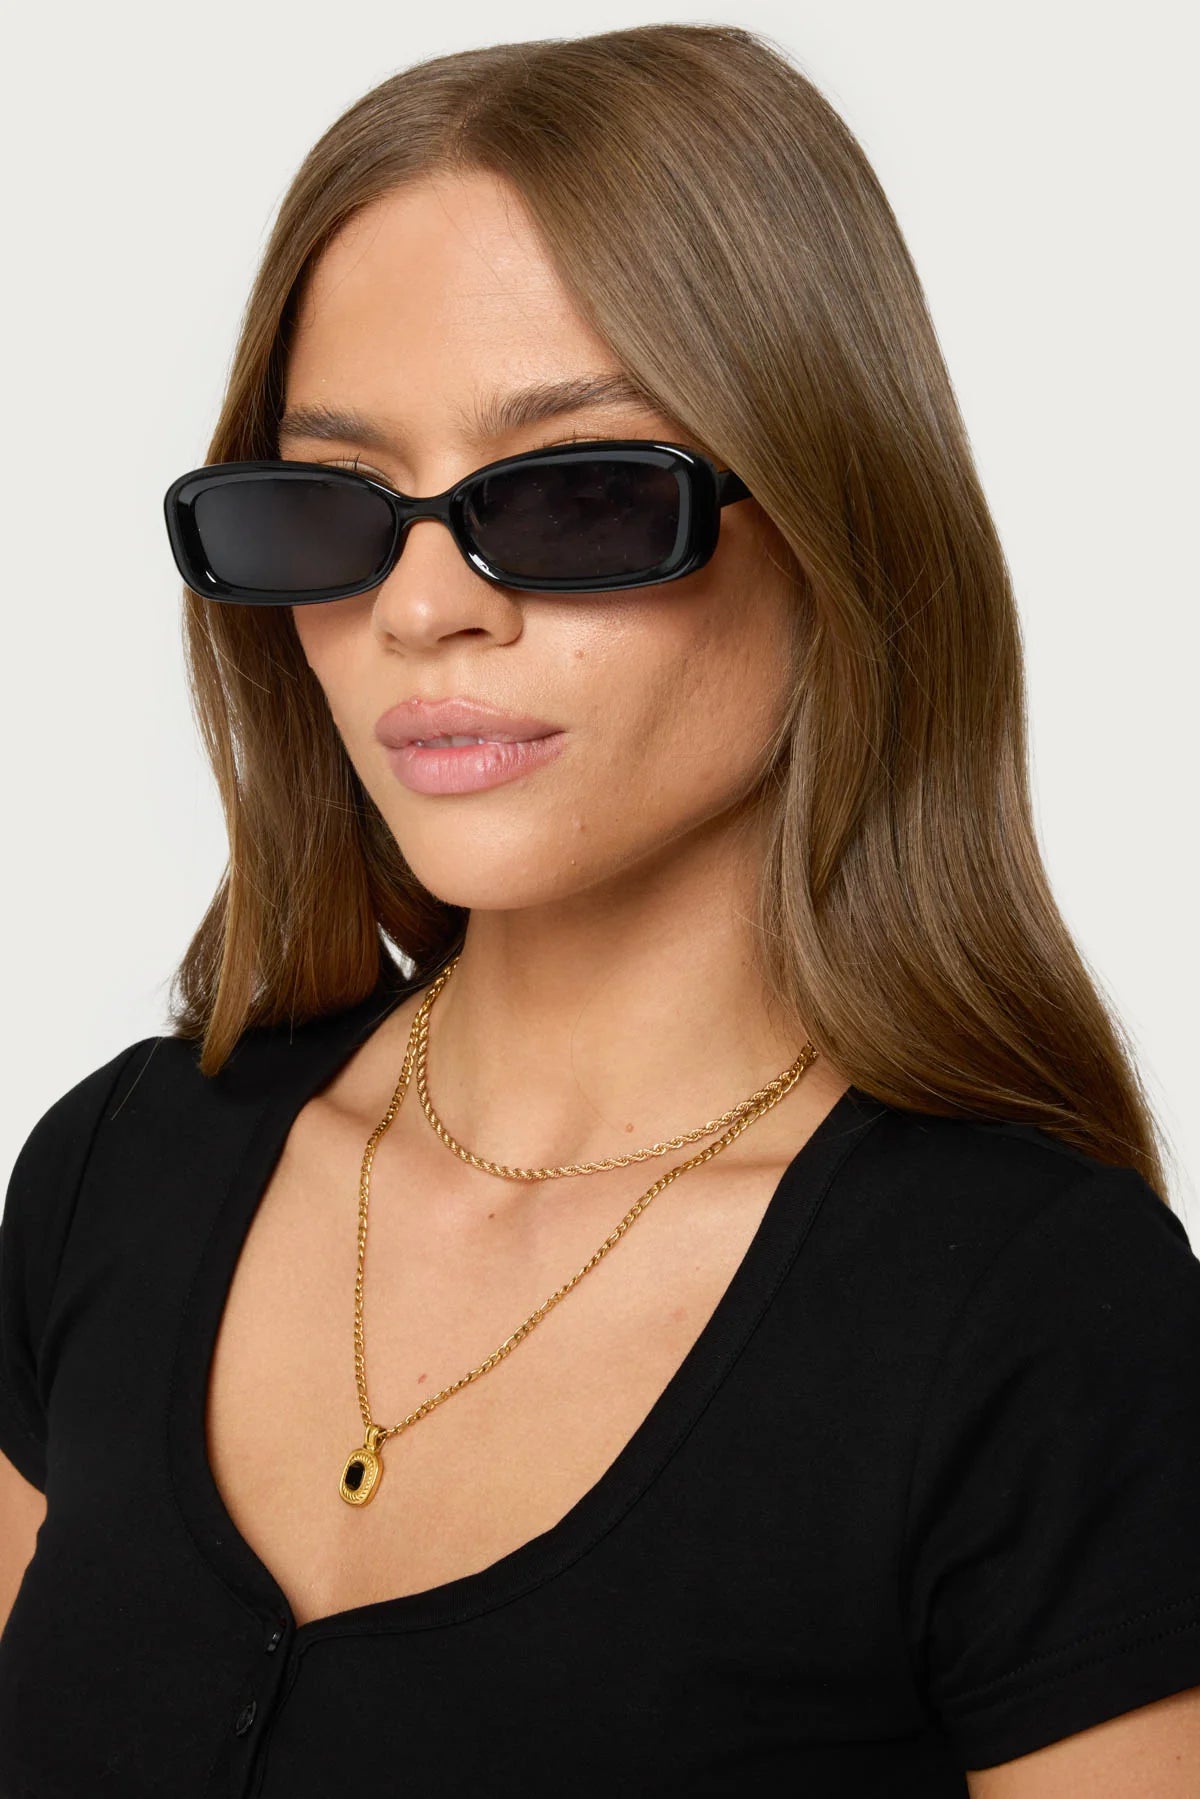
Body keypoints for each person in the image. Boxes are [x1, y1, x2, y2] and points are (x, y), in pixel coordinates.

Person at [2, 21, 1198, 1798]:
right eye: (333, 505)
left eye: (575, 496)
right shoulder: (119, 1168)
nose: (423, 610)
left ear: (838, 524)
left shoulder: (1045, 1322)